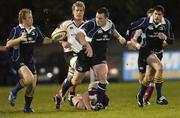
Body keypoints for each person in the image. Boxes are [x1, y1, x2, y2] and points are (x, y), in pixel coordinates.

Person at [54, 7, 129, 109]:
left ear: (106, 19)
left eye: (100, 18)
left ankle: (99, 103)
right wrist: (87, 44)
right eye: (97, 17)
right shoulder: (90, 24)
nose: (97, 20)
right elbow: (79, 35)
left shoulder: (110, 24)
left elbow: (113, 30)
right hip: (85, 55)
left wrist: (120, 38)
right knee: (75, 80)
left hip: (99, 57)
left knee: (103, 78)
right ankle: (60, 95)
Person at [6, 8, 52, 112]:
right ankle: (13, 92)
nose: (32, 19)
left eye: (32, 17)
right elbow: (8, 44)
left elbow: (43, 40)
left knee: (32, 85)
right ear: (23, 19)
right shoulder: (17, 29)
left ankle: (27, 108)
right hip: (17, 59)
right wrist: (20, 39)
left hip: (29, 61)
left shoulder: (35, 30)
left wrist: (55, 38)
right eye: (29, 17)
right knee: (28, 79)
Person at [128, 5, 174, 107]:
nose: (156, 16)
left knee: (149, 78)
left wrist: (165, 38)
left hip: (158, 53)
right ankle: (159, 97)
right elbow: (132, 35)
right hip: (145, 51)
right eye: (155, 14)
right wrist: (135, 44)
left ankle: (140, 95)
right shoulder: (144, 23)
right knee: (159, 68)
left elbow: (171, 40)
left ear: (162, 15)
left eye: (159, 14)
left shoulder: (166, 23)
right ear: (152, 15)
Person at [52, 1, 87, 107]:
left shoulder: (87, 25)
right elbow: (54, 35)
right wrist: (62, 41)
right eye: (77, 10)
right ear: (73, 12)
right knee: (79, 68)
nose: (79, 12)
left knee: (73, 77)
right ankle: (71, 94)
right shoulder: (66, 24)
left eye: (81, 11)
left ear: (83, 12)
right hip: (70, 54)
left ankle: (59, 97)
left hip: (82, 53)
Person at [126, 8, 155, 105]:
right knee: (142, 77)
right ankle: (141, 94)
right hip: (143, 53)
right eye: (150, 16)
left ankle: (145, 99)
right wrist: (138, 46)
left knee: (151, 76)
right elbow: (133, 40)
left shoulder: (159, 27)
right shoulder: (142, 27)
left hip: (153, 53)